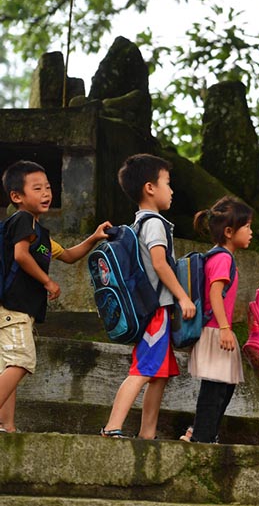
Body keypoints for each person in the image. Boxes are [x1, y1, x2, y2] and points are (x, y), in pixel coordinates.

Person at [0, 160, 111, 433]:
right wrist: (48, 281)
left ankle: (7, 426)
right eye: (37, 188)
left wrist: (94, 237)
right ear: (17, 197)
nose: (46, 193)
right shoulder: (22, 220)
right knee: (21, 361)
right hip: (12, 307)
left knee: (8, 369)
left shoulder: (41, 235)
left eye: (48, 187)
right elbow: (20, 255)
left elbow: (70, 256)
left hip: (16, 310)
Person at [101, 154, 196, 439]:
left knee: (160, 374)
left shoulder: (140, 223)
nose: (172, 190)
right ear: (150, 187)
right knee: (143, 369)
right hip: (156, 310)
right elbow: (159, 263)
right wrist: (183, 297)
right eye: (167, 183)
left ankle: (147, 433)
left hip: (155, 310)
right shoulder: (154, 223)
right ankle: (112, 426)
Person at [179, 196, 253, 444]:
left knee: (224, 385)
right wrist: (224, 328)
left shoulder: (218, 256)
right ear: (230, 232)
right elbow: (214, 293)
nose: (251, 232)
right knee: (215, 388)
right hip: (215, 329)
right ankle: (201, 436)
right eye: (248, 227)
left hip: (217, 328)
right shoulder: (223, 258)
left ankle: (203, 431)